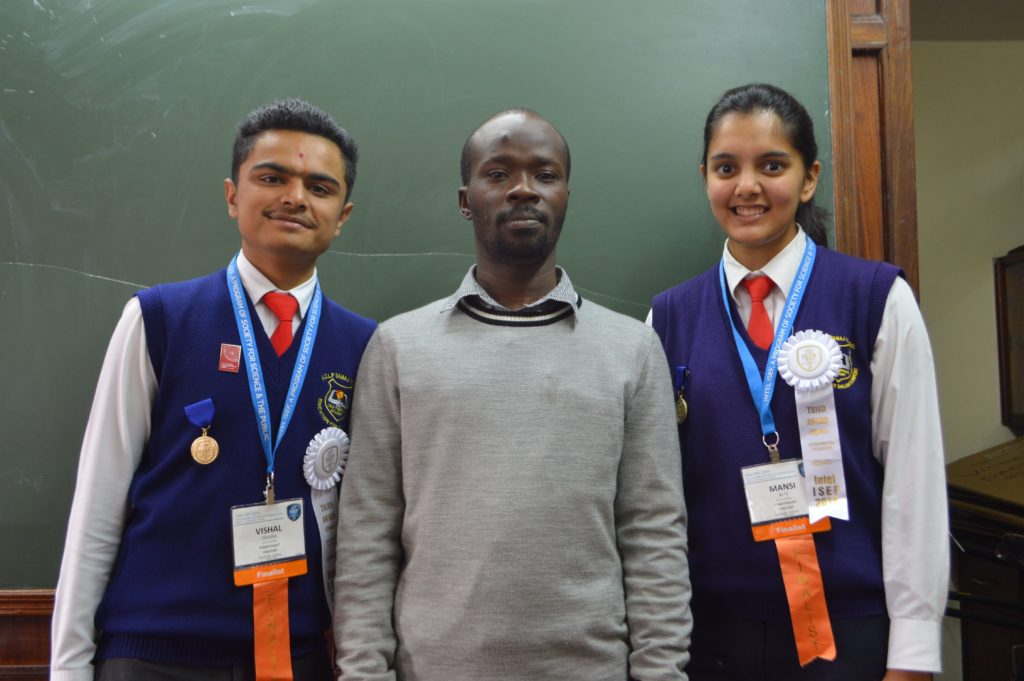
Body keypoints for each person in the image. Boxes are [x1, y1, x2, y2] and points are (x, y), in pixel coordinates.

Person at [333, 108, 691, 681]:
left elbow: (654, 532)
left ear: (566, 196)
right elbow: (367, 533)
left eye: (545, 175)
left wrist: (662, 672)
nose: (524, 189)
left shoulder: (634, 350)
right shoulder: (398, 347)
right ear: (465, 200)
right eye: (498, 174)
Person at [50, 98, 377, 681]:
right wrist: (68, 669)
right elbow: (97, 507)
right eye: (272, 178)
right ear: (232, 195)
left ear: (343, 214)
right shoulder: (159, 319)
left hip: (295, 656)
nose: (295, 197)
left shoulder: (366, 347)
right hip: (152, 655)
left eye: (319, 187)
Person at [650, 83, 948, 680]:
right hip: (710, 636)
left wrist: (913, 655)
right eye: (726, 168)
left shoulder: (876, 298)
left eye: (772, 166)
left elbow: (913, 482)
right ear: (705, 178)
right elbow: (653, 500)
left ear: (809, 178)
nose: (747, 187)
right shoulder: (668, 317)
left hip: (850, 630)